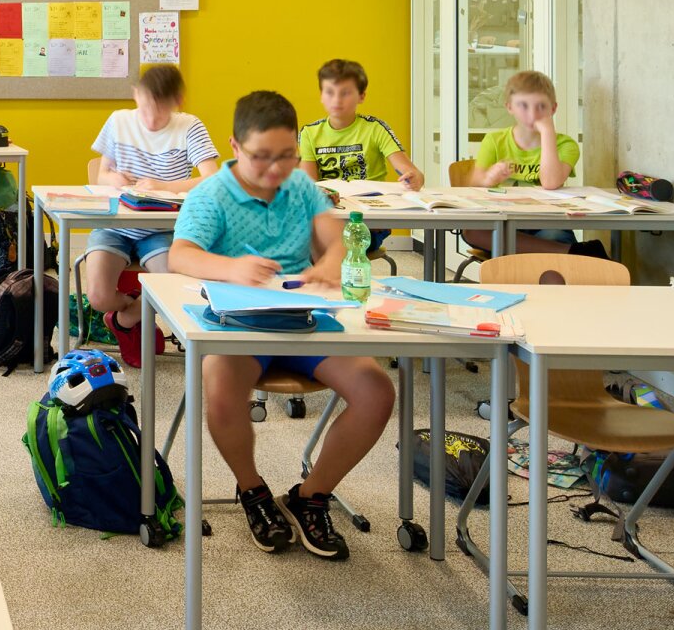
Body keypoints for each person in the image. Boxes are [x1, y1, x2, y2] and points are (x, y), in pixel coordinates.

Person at [167, 90, 395, 561]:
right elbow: (180, 255)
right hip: (237, 325)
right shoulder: (210, 195)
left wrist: (332, 261)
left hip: (302, 321)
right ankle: (253, 491)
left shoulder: (302, 189)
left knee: (376, 392)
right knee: (222, 390)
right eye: (261, 158)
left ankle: (311, 494)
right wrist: (231, 268)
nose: (275, 169)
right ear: (234, 147)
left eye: (287, 155)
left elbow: (334, 241)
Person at [76, 63, 219, 342]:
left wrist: (164, 186)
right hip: (115, 226)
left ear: (177, 102)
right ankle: (131, 306)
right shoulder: (119, 121)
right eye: (145, 109)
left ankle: (126, 319)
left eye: (161, 110)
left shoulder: (190, 126)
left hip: (163, 229)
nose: (151, 119)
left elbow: (213, 180)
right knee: (98, 296)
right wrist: (113, 178)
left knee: (177, 291)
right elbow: (103, 175)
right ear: (135, 95)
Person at [463, 70, 582, 257]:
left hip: (546, 222)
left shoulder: (566, 145)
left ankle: (546, 254)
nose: (532, 114)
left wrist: (547, 133)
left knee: (552, 235)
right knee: (473, 231)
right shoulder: (494, 140)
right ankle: (571, 252)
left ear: (553, 108)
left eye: (541, 106)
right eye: (523, 106)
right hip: (503, 220)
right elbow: (473, 185)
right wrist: (488, 178)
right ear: (510, 107)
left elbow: (550, 182)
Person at [300, 59, 419, 187]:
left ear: (361, 96)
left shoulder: (376, 128)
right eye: (329, 92)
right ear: (321, 96)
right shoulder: (308, 133)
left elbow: (412, 172)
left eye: (345, 93)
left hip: (372, 201)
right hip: (331, 203)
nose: (336, 100)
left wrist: (414, 178)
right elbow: (310, 187)